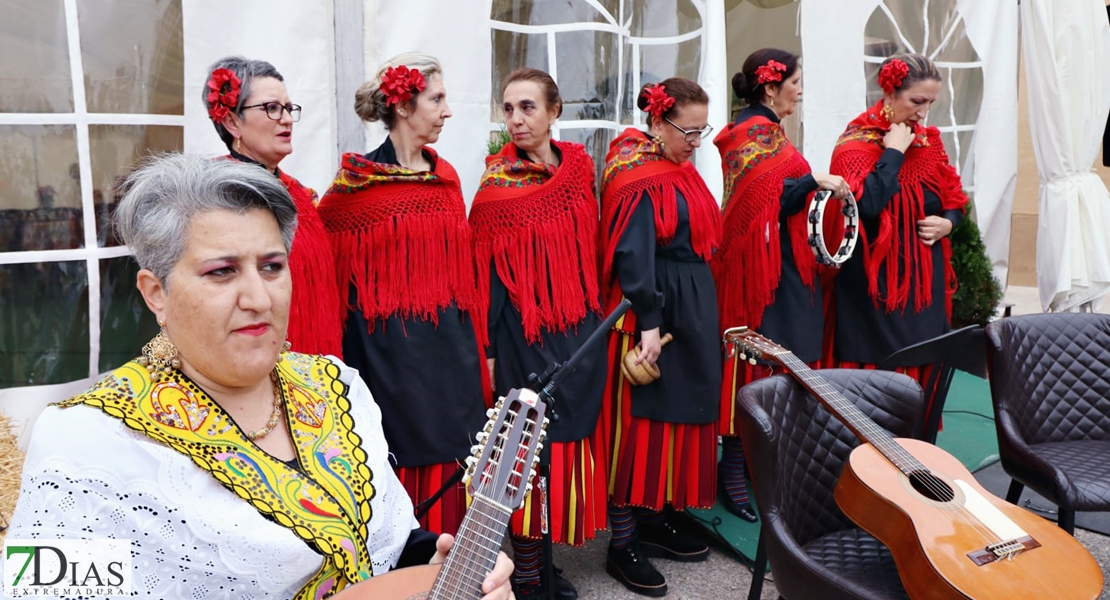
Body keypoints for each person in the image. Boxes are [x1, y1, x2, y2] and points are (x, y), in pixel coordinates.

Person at [5, 155, 513, 600]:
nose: (259, 297)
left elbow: (382, 547)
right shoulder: (91, 441)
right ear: (155, 292)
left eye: (272, 267)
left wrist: (447, 570)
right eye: (222, 271)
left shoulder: (337, 388)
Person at [316, 53, 488, 537]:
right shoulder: (356, 186)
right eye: (437, 99)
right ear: (404, 106)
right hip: (391, 357)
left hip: (453, 351)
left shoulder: (446, 177)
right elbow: (328, 270)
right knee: (402, 461)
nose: (447, 110)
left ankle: (459, 571)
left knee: (461, 457)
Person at [469, 67, 608, 600]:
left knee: (567, 447)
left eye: (527, 107)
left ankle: (545, 560)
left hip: (578, 327)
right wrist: (486, 352)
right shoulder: (495, 188)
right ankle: (527, 569)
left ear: (555, 112)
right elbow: (483, 280)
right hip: (522, 336)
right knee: (528, 452)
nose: (515, 119)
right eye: (508, 109)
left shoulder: (578, 169)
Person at [712, 49, 850, 522]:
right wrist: (815, 178)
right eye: (795, 81)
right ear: (771, 87)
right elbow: (770, 197)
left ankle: (759, 464)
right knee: (753, 361)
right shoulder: (749, 134)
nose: (801, 89)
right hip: (758, 273)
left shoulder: (769, 132)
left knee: (783, 355)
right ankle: (733, 468)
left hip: (783, 263)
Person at [597, 77, 722, 597]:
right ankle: (622, 542)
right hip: (654, 310)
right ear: (657, 120)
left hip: (689, 304)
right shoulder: (636, 172)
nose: (696, 141)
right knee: (638, 430)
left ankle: (653, 520)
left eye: (701, 130)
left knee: (676, 420)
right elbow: (632, 253)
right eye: (688, 131)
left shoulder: (676, 165)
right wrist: (649, 321)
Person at [828, 53, 968, 387]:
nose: (922, 112)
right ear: (889, 94)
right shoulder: (855, 144)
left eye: (930, 103)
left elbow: (954, 199)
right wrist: (893, 153)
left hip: (924, 284)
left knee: (924, 362)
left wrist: (948, 223)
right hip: (874, 287)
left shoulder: (928, 141)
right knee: (878, 377)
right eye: (916, 101)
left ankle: (917, 437)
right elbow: (867, 205)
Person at [202, 56, 343, 357]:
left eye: (289, 109)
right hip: (261, 355)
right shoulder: (219, 196)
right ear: (232, 122)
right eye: (272, 108)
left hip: (319, 354)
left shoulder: (300, 194)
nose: (287, 119)